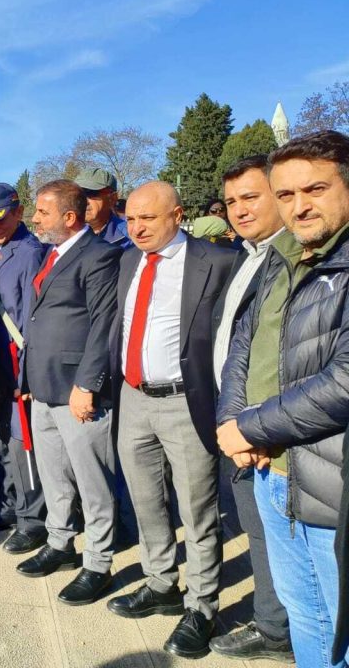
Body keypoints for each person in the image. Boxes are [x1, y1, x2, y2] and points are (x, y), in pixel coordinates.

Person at [217, 131, 349, 668]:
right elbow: (242, 344)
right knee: (306, 613)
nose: (299, 206)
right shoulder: (283, 256)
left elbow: (344, 380)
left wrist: (254, 428)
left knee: (340, 622)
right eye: (287, 194)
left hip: (330, 483)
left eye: (314, 189)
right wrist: (233, 421)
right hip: (276, 472)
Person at [108, 181, 236, 659]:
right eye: (132, 218)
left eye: (149, 218)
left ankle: (201, 606)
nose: (137, 227)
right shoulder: (127, 260)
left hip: (187, 401)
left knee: (198, 508)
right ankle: (160, 583)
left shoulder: (216, 262)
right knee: (145, 501)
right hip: (133, 397)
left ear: (177, 216)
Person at [16, 179, 120, 607]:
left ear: (69, 217)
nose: (34, 218)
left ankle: (97, 562)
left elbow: (103, 324)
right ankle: (60, 543)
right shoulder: (52, 254)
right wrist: (26, 381)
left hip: (77, 391)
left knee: (92, 481)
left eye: (42, 211)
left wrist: (87, 384)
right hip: (43, 386)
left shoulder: (98, 256)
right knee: (54, 474)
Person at [207, 155, 293, 662]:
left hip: (269, 431)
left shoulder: (290, 259)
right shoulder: (247, 256)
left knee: (274, 536)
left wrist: (256, 423)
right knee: (259, 532)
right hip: (236, 422)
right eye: (232, 200)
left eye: (251, 197)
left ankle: (278, 630)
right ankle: (274, 621)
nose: (240, 210)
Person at [0, 183, 47, 545]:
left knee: (23, 444)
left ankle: (33, 522)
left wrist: (29, 377)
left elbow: (32, 319)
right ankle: (7, 507)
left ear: (18, 212)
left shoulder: (30, 253)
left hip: (19, 366)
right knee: (0, 442)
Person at [75, 167, 130, 247]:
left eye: (91, 193)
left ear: (113, 198)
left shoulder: (131, 237)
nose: (84, 201)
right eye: (78, 194)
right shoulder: (64, 235)